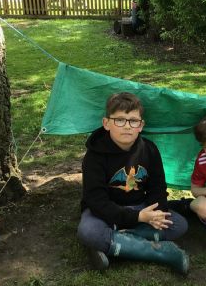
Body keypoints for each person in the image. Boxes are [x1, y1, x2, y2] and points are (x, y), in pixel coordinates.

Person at [77, 92, 189, 274]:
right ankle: (163, 253)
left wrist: (157, 213)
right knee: (88, 231)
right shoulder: (94, 156)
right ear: (106, 123)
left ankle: (111, 243)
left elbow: (157, 187)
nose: (127, 126)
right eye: (120, 120)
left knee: (178, 224)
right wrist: (138, 218)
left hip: (140, 206)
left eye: (133, 121)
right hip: (104, 213)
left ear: (141, 125)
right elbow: (95, 200)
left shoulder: (150, 149)